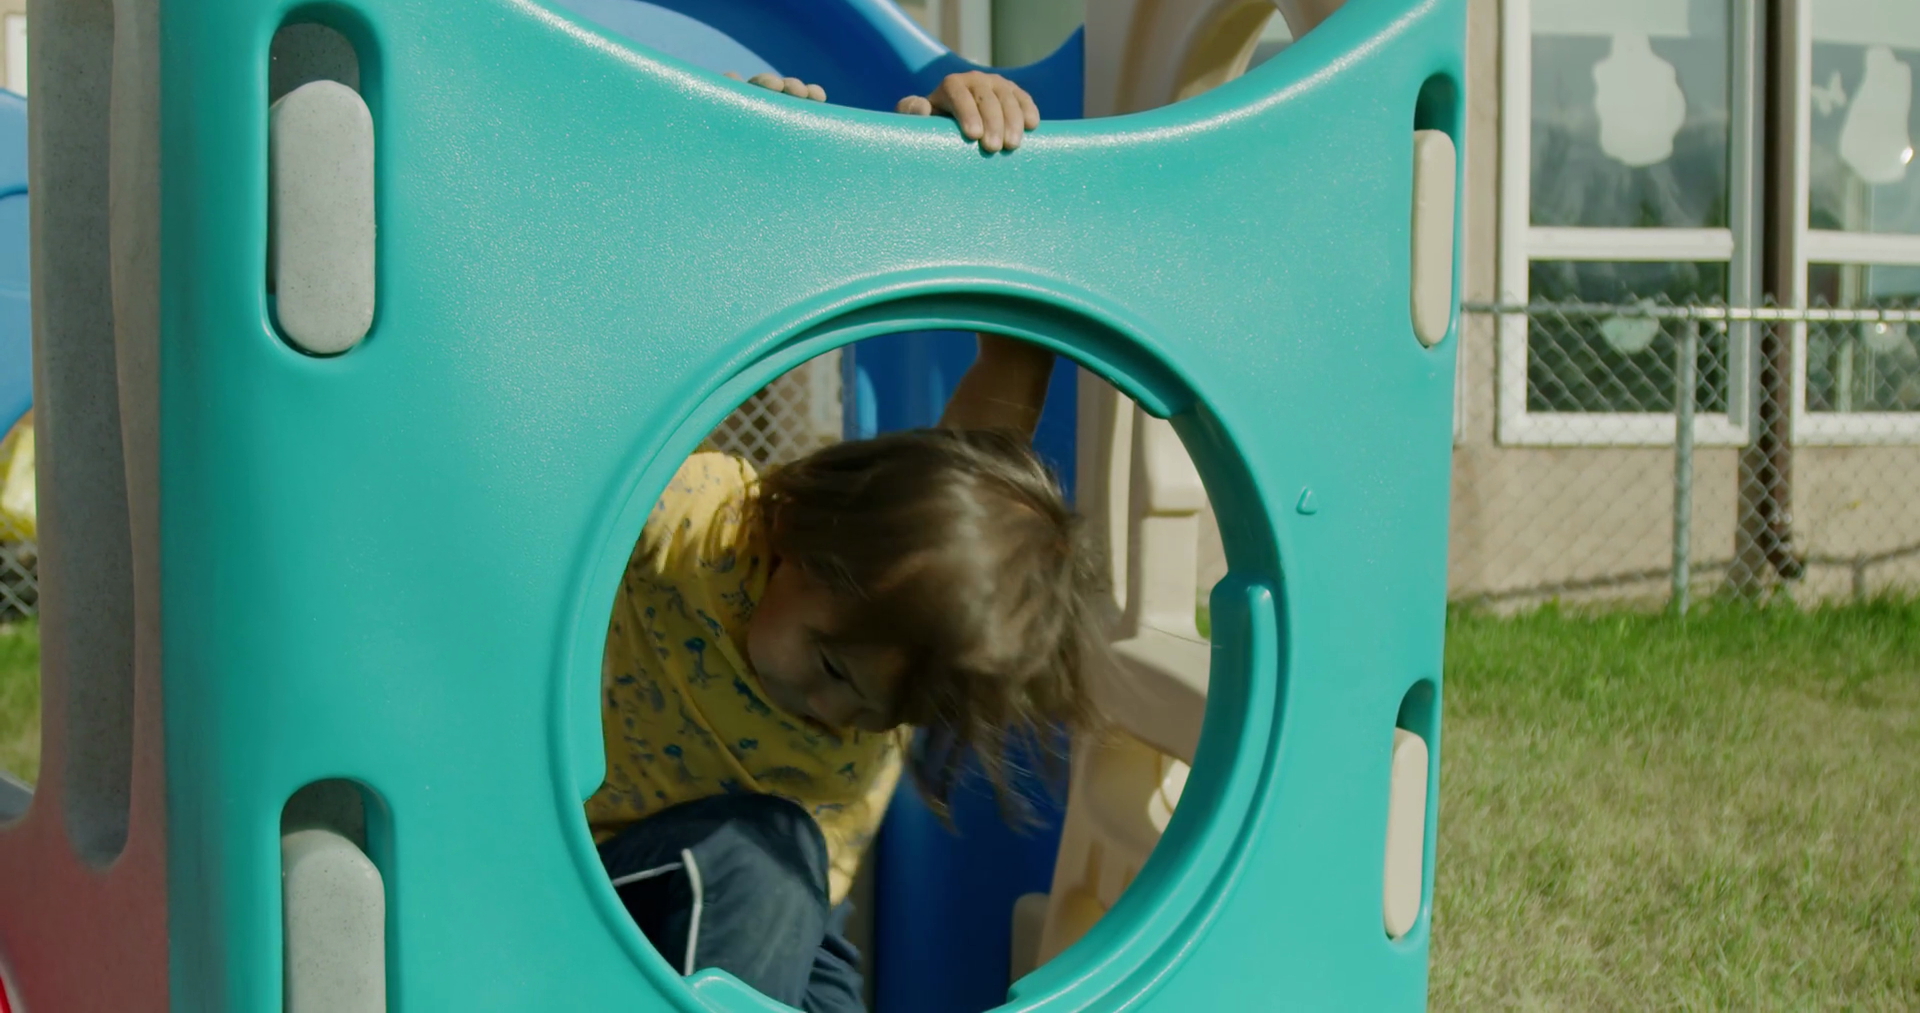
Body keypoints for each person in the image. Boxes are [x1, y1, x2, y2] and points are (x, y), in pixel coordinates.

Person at [584, 70, 1107, 1013]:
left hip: (784, 915)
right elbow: (621, 386)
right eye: (832, 666)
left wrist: (986, 184)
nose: (837, 715)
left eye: (883, 712)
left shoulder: (915, 618)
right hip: (604, 877)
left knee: (819, 965)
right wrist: (764, 178)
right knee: (767, 855)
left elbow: (1007, 377)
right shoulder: (697, 519)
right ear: (804, 532)